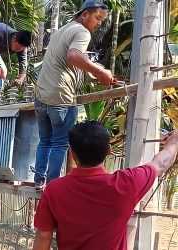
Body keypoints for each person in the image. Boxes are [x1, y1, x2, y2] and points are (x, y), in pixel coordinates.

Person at [32, 121, 178, 250]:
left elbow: (43, 236)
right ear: (108, 151)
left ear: (72, 153)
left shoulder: (54, 190)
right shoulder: (126, 183)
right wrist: (175, 140)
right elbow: (161, 163)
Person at [33, 0, 115, 188]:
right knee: (60, 143)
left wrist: (97, 72)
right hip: (60, 95)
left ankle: (39, 181)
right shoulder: (82, 32)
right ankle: (53, 185)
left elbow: (73, 62)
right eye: (97, 18)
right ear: (84, 14)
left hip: (41, 95)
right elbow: (74, 56)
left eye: (102, 20)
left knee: (44, 141)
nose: (99, 23)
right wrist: (101, 72)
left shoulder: (63, 30)